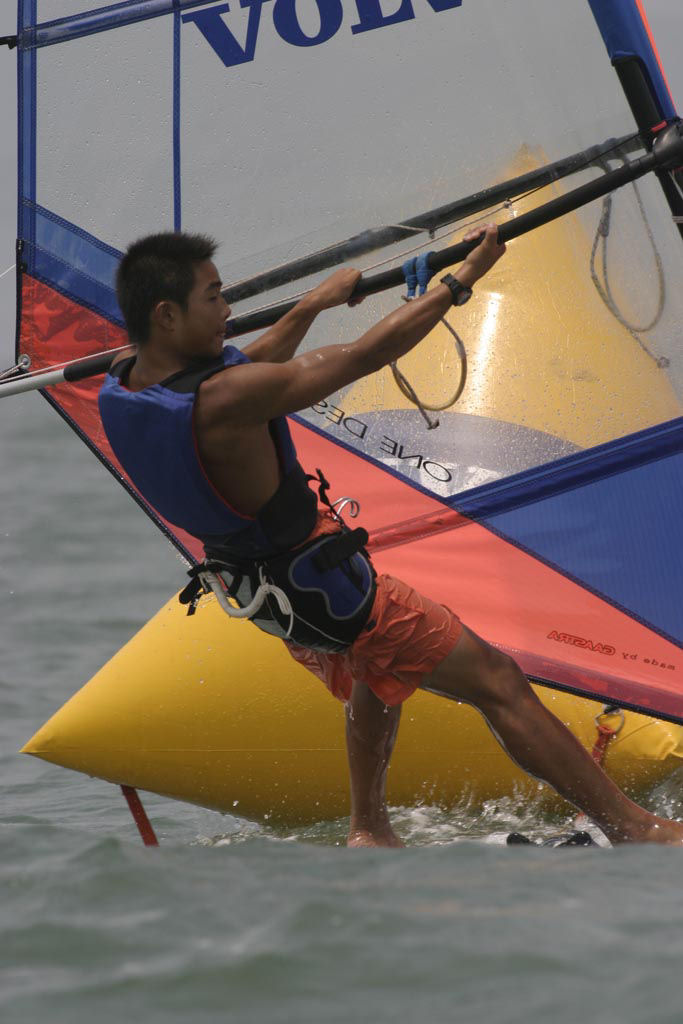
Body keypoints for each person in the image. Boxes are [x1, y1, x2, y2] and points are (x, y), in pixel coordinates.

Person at [99, 227, 683, 848]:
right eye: (213, 297)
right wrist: (461, 282)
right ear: (167, 314)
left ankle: (369, 830)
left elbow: (247, 365)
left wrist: (313, 304)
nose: (228, 312)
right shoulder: (226, 400)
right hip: (331, 592)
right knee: (497, 680)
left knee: (378, 673)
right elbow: (361, 358)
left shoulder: (126, 381)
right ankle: (634, 827)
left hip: (268, 598)